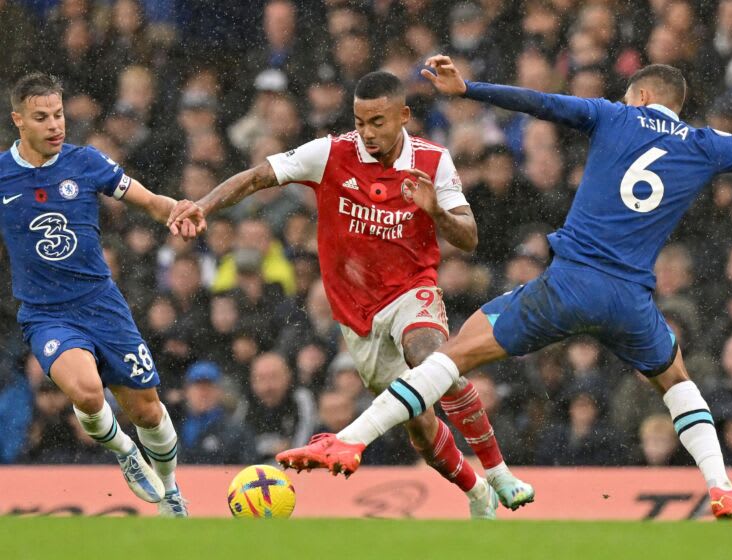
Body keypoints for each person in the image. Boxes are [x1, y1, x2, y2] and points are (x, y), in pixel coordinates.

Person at [276, 55, 732, 521]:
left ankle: (349, 438)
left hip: (570, 283)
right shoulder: (707, 144)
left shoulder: (614, 115)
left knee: (451, 356)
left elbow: (543, 102)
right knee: (675, 380)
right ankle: (722, 486)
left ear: (641, 98)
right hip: (630, 301)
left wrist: (471, 88)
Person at [168, 71, 533, 518]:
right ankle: (477, 491)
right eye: (360, 121)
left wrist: (436, 210)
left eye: (377, 121)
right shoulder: (330, 153)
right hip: (356, 314)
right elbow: (259, 176)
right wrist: (203, 205)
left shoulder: (433, 161)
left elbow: (470, 238)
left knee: (432, 357)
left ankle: (499, 472)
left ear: (403, 116)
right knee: (420, 429)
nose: (367, 132)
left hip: (411, 290)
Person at [0, 73, 202, 516]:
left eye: (58, 114)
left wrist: (180, 211)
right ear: (18, 121)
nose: (55, 125)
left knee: (148, 411)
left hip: (101, 304)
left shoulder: (86, 163)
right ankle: (126, 453)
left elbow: (150, 202)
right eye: (41, 117)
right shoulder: (2, 176)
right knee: (89, 393)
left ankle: (170, 490)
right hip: (46, 313)